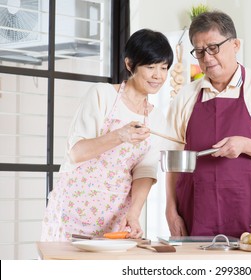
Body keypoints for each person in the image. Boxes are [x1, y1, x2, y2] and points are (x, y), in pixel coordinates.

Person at [165, 11, 251, 238]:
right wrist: (170, 211)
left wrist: (245, 144)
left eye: (214, 47)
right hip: (196, 217)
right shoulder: (185, 96)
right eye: (199, 51)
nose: (207, 58)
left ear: (235, 44)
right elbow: (173, 161)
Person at [41, 29, 174, 241]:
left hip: (116, 214)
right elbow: (76, 152)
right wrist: (120, 136)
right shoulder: (102, 95)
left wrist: (134, 213)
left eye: (164, 68)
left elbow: (145, 170)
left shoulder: (156, 118)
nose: (158, 75)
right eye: (150, 67)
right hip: (74, 208)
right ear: (130, 65)